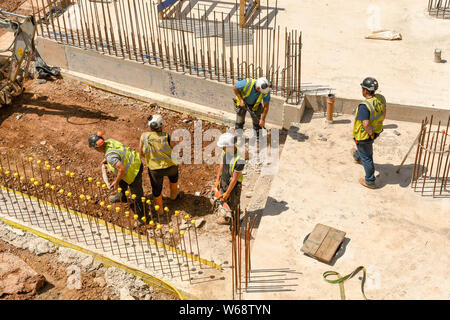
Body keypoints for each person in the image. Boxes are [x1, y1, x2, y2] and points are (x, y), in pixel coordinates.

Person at [88, 132, 145, 220]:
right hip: (135, 161)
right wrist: (106, 159)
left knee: (137, 194)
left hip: (134, 171)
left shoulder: (110, 156)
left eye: (95, 148)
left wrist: (116, 182)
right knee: (122, 182)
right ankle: (122, 196)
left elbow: (122, 170)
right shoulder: (110, 141)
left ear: (97, 148)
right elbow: (118, 151)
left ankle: (142, 216)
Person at [139, 114, 179, 218]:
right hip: (171, 166)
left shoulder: (144, 137)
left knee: (156, 189)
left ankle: (160, 210)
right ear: (161, 126)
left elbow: (141, 153)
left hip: (155, 170)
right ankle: (174, 196)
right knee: (174, 179)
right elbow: (175, 149)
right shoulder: (167, 136)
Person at [351, 77, 386, 189]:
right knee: (363, 149)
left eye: (362, 88)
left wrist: (370, 134)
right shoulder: (381, 99)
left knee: (367, 157)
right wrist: (374, 132)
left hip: (365, 135)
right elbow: (384, 114)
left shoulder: (364, 106)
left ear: (365, 90)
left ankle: (370, 181)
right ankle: (357, 155)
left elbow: (365, 124)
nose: (362, 90)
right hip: (376, 130)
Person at [213, 132, 245, 225]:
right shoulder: (226, 151)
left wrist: (227, 193)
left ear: (230, 146)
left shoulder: (239, 159)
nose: (222, 149)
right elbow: (222, 165)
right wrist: (218, 179)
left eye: (223, 147)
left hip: (234, 186)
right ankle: (227, 218)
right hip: (224, 180)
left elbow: (235, 179)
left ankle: (235, 225)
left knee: (234, 205)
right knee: (224, 201)